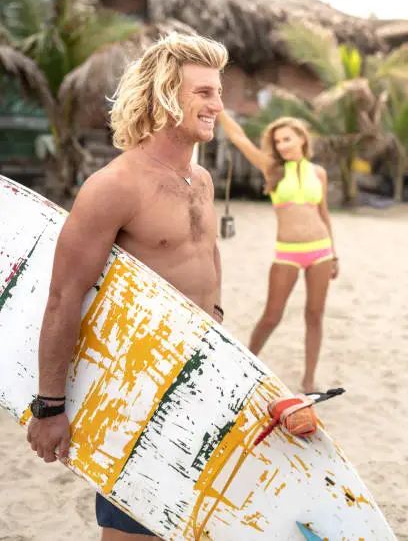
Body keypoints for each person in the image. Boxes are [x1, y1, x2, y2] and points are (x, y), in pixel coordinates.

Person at [26, 32, 228, 541]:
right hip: (138, 385)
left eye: (217, 91)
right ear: (163, 95)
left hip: (202, 374)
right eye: (203, 92)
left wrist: (218, 323)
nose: (217, 105)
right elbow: (63, 296)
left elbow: (208, 254)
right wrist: (49, 406)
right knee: (134, 528)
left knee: (187, 521)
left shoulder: (199, 179)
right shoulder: (114, 187)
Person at [218, 111, 339, 393]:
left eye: (287, 139)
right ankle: (246, 364)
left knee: (314, 314)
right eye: (277, 141)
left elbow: (324, 214)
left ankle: (309, 379)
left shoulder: (318, 173)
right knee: (272, 315)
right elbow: (238, 138)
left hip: (320, 250)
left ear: (301, 139)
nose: (282, 145)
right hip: (287, 252)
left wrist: (334, 254)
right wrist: (219, 108)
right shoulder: (271, 167)